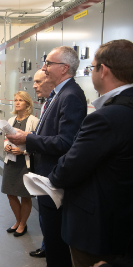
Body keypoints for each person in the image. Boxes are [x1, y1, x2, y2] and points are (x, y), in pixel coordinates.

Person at [47, 40, 133, 267]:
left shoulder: (105, 117)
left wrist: (55, 170)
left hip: (98, 229)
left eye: (92, 66)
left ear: (102, 70)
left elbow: (67, 169)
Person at [7, 46, 87, 267]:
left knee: (56, 243)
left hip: (54, 177)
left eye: (48, 63)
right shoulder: (58, 95)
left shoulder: (71, 96)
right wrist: (30, 137)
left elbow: (66, 142)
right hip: (45, 177)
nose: (44, 67)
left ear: (64, 68)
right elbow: (50, 134)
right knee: (50, 236)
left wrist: (28, 140)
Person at [2, 91, 38, 237]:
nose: (17, 102)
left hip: (25, 163)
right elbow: (6, 138)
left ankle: (23, 224)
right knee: (10, 193)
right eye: (16, 100)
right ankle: (18, 221)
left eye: (21, 100)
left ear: (27, 103)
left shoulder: (33, 121)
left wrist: (23, 152)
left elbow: (38, 143)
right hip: (11, 161)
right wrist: (6, 145)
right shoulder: (10, 121)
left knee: (25, 195)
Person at [28, 69, 54, 258]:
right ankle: (47, 244)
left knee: (51, 216)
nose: (34, 85)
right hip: (41, 167)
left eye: (38, 81)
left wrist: (28, 139)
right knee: (44, 215)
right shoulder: (47, 104)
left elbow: (63, 141)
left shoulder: (65, 100)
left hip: (51, 169)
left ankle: (50, 246)